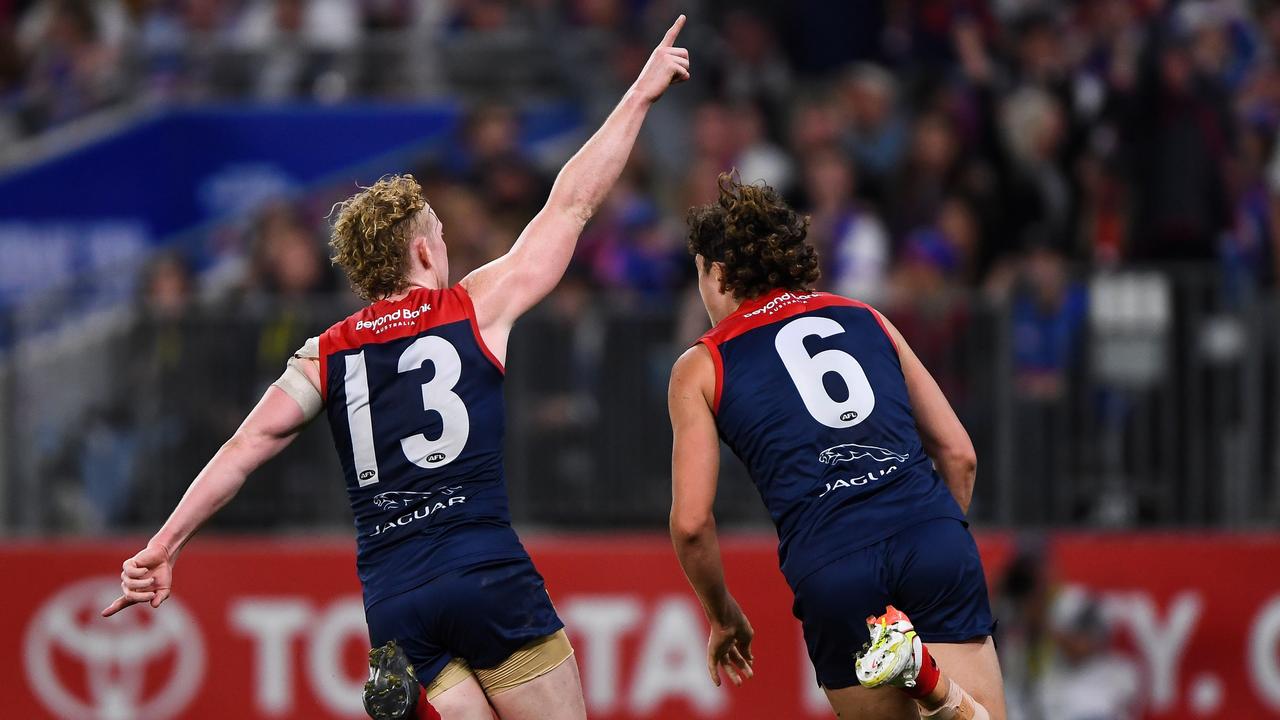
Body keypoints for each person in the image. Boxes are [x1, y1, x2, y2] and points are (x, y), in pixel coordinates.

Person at [100, 15, 691, 720]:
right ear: (420, 253)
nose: (445, 246)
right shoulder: (474, 308)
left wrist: (162, 545)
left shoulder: (324, 351)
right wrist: (639, 95)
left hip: (395, 603)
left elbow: (244, 447)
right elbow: (573, 202)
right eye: (439, 235)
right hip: (485, 571)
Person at [667, 173, 1006, 719]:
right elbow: (959, 453)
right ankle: (935, 688)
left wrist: (722, 614)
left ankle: (930, 683)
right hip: (928, 531)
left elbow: (690, 524)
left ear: (720, 274)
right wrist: (934, 538)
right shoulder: (865, 315)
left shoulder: (701, 366)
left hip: (832, 566)